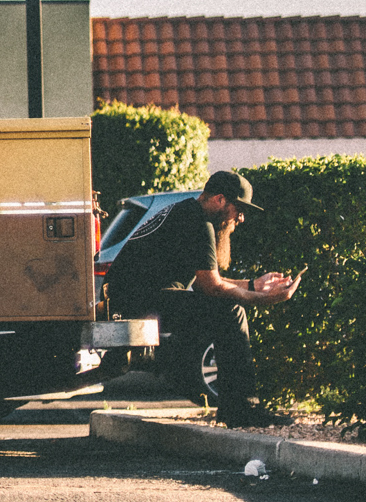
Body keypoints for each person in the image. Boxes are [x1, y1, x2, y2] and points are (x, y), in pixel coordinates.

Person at [104, 170, 299, 428]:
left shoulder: (186, 212)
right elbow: (213, 288)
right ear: (219, 200)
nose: (241, 218)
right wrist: (261, 299)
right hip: (137, 302)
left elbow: (205, 280)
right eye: (238, 209)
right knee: (231, 311)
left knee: (220, 310)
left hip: (138, 297)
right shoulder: (198, 222)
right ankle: (241, 409)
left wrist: (254, 285)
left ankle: (231, 406)